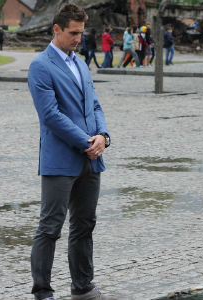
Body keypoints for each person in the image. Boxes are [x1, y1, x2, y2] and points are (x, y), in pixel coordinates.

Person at [27, 4, 115, 300]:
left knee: (84, 225)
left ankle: (82, 286)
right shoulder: (41, 65)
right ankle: (42, 291)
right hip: (61, 160)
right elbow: (50, 115)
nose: (79, 38)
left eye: (81, 32)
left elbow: (95, 105)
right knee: (50, 227)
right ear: (56, 29)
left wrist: (103, 136)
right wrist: (87, 142)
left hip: (92, 158)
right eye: (73, 33)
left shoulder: (80, 63)